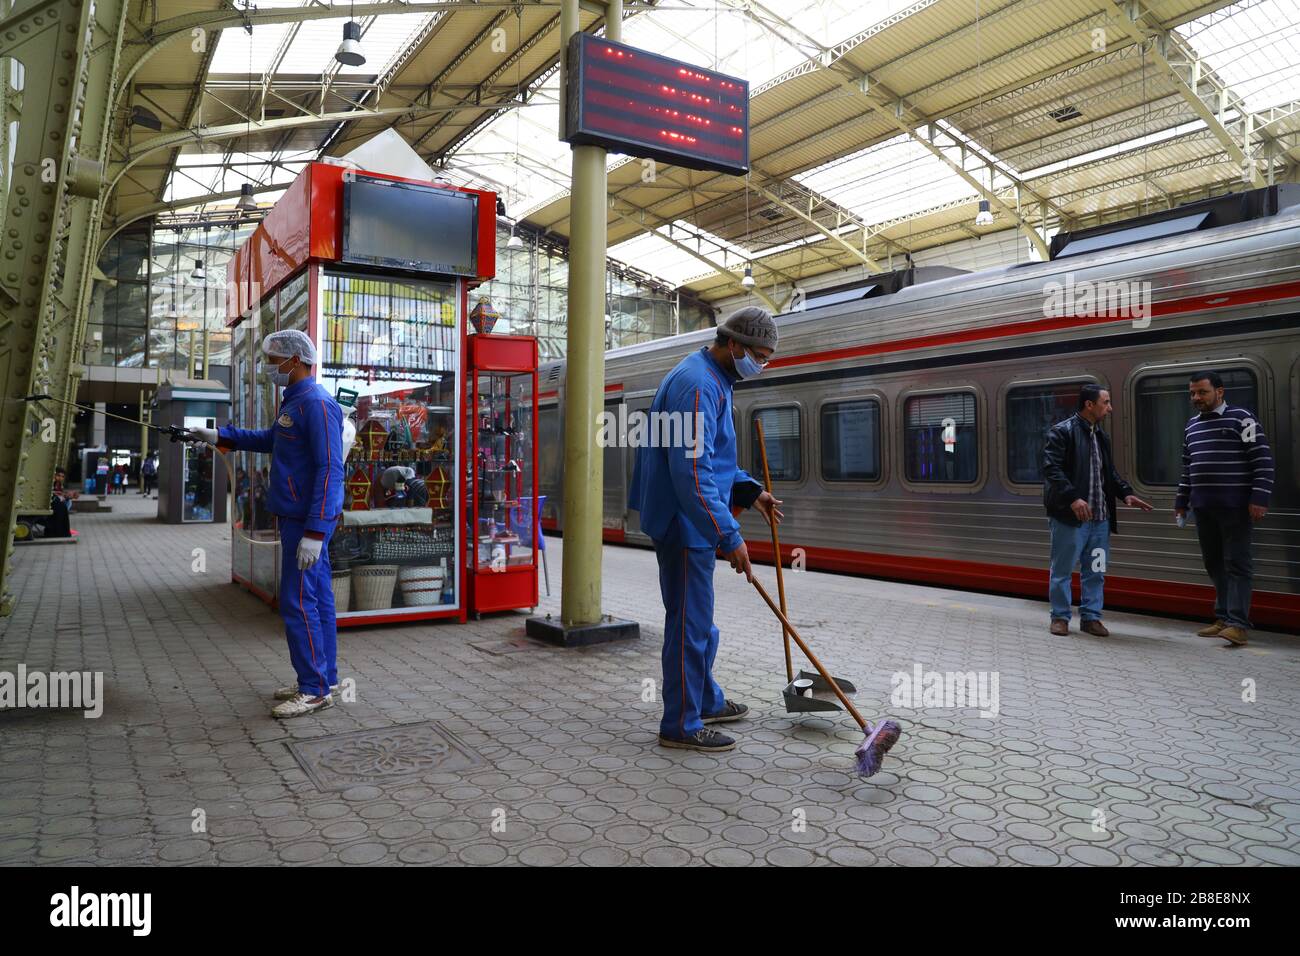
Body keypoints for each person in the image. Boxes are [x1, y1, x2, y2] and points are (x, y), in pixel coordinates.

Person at [628, 307, 784, 752]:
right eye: (759, 355)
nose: (762, 365)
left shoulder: (713, 378)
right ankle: (680, 722)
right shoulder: (697, 386)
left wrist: (751, 491)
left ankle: (706, 699)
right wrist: (729, 536)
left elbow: (715, 460)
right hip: (685, 525)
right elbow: (691, 474)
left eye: (769, 358)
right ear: (733, 344)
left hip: (691, 520)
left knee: (700, 623)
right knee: (688, 626)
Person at [186, 329, 345, 718]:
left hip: (304, 523)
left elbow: (330, 471)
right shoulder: (295, 403)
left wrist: (314, 531)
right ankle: (325, 679)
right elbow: (270, 439)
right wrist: (219, 435)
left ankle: (313, 689)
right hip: (298, 520)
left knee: (298, 604)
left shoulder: (318, 404)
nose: (270, 368)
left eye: (274, 362)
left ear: (296, 360)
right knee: (318, 601)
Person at [1041, 384, 1152, 636]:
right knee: (1062, 570)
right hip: (1071, 518)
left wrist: (1126, 493)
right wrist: (1073, 498)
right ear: (1089, 405)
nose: (1110, 408)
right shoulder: (1062, 432)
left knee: (1097, 569)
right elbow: (1052, 469)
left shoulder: (1101, 436)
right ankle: (1059, 617)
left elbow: (1108, 473)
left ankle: (1091, 617)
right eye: (1106, 402)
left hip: (1100, 519)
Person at [1175, 371, 1274, 646]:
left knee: (1237, 564)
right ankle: (1223, 618)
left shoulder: (1243, 419)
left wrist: (1259, 498)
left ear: (1220, 392)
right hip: (1203, 507)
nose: (1196, 398)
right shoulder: (1191, 426)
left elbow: (1263, 461)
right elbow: (1187, 469)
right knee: (1215, 563)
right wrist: (1181, 503)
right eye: (1193, 393)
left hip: (1236, 507)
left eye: (1202, 392)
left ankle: (1238, 624)